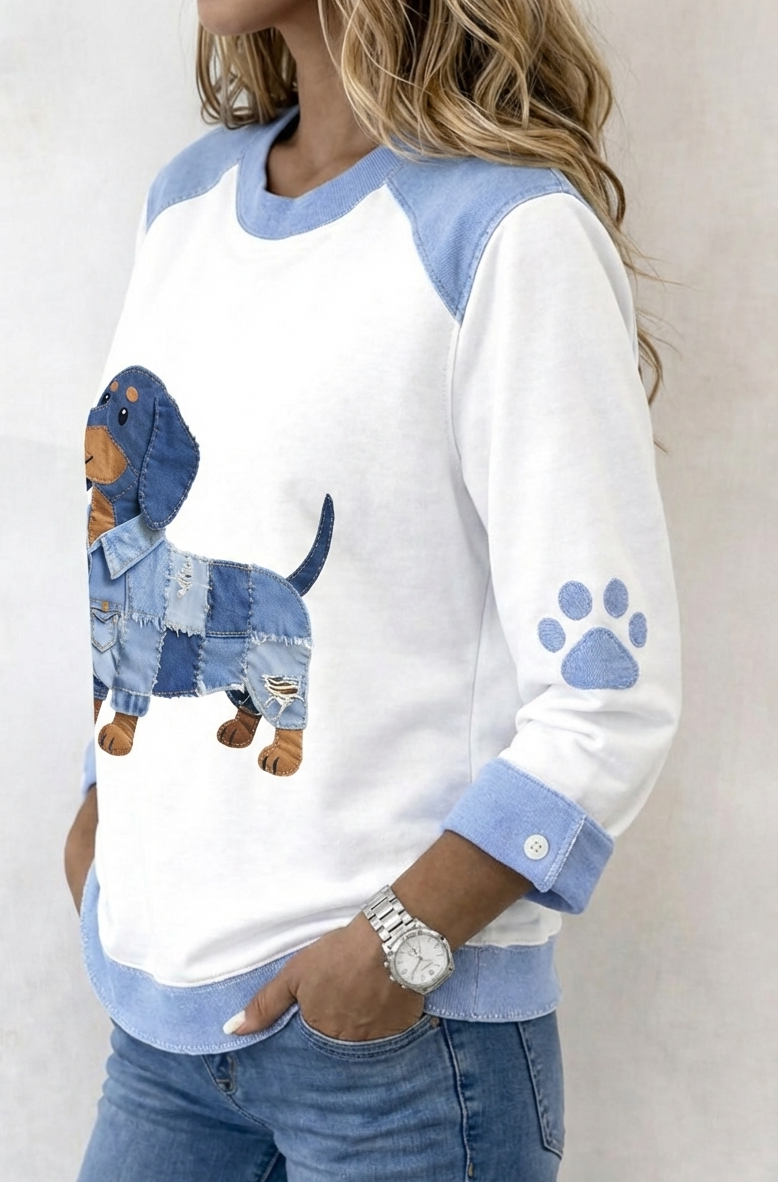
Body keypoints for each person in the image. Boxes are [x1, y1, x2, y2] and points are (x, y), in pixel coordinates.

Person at [64, 0, 681, 1176]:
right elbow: (135, 543)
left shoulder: (504, 232)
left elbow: (607, 698)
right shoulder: (183, 205)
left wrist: (394, 947)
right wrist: (104, 811)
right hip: (157, 1034)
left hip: (398, 1060)